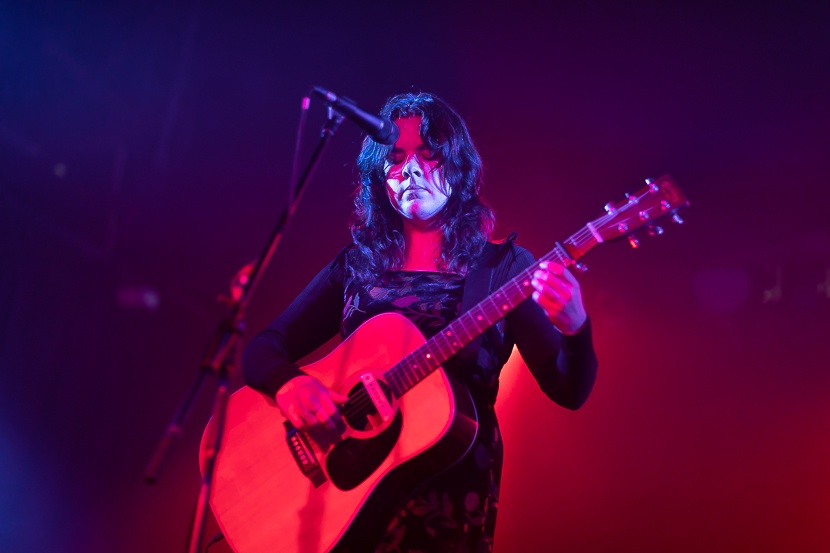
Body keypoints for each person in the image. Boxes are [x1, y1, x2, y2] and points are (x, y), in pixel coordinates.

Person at [243, 92, 598, 553]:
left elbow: (569, 391)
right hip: (348, 497)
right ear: (379, 177)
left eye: (428, 155)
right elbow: (263, 348)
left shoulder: (505, 268)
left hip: (446, 494)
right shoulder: (356, 266)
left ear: (458, 167)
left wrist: (575, 327)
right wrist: (291, 386)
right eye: (395, 158)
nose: (410, 169)